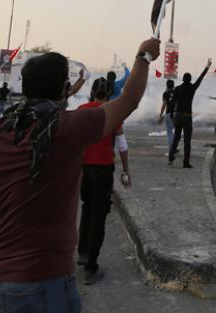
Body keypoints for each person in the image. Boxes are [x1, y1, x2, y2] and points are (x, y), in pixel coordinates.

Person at [0, 37, 159, 313]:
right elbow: (129, 100)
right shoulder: (66, 128)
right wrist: (144, 57)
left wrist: (12, 216)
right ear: (64, 89)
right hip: (43, 286)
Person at [76, 78, 131, 285]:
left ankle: (82, 252)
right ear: (109, 93)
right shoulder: (112, 112)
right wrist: (126, 171)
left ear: (92, 91)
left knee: (87, 208)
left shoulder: (81, 110)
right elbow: (122, 145)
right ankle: (91, 267)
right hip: (103, 169)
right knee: (99, 216)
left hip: (84, 169)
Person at [168, 59, 212, 168]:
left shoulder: (177, 89)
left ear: (183, 79)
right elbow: (200, 79)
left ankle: (170, 159)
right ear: (190, 79)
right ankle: (185, 162)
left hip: (178, 116)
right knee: (187, 141)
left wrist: (172, 116)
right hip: (187, 117)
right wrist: (207, 67)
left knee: (176, 139)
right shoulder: (192, 88)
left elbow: (172, 103)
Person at [158, 79, 176, 149]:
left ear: (167, 86)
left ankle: (172, 148)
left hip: (168, 114)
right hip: (176, 114)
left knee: (169, 132)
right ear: (173, 85)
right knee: (176, 131)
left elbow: (164, 105)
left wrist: (160, 116)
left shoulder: (165, 94)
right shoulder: (176, 92)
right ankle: (174, 146)